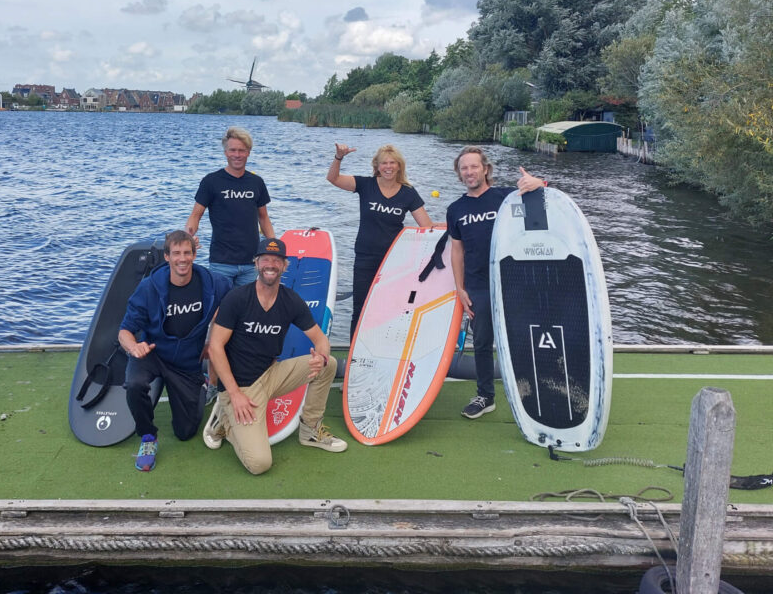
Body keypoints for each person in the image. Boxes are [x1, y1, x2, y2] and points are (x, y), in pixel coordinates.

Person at [202, 237, 347, 474]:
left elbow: (320, 339)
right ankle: (225, 421)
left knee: (327, 364)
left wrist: (319, 356)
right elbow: (215, 348)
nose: (271, 265)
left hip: (271, 374)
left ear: (284, 266)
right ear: (256, 263)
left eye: (277, 260)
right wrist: (235, 394)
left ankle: (310, 431)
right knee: (259, 464)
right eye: (265, 259)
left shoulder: (290, 300)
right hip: (241, 387)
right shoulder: (237, 298)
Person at [117, 229, 232, 472]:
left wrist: (214, 336)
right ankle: (148, 437)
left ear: (194, 254)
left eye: (187, 253)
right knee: (134, 383)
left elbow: (234, 301)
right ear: (167, 257)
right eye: (176, 253)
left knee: (186, 432)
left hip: (187, 362)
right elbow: (124, 331)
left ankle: (200, 386)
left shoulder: (213, 283)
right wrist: (133, 347)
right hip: (153, 353)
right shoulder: (149, 288)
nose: (183, 259)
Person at [446, 146, 544, 419]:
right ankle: (485, 396)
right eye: (464, 168)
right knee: (482, 343)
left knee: (522, 338)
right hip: (477, 285)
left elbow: (544, 200)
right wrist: (460, 288)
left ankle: (533, 391)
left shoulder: (507, 197)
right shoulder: (456, 209)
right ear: (459, 173)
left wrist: (538, 183)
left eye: (474, 166)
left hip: (513, 282)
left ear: (485, 169)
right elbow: (457, 251)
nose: (469, 172)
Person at [327, 143, 439, 334]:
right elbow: (333, 178)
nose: (388, 166)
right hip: (365, 259)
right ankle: (355, 351)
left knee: (388, 310)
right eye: (384, 163)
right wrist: (339, 158)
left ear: (399, 166)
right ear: (377, 166)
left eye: (392, 163)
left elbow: (426, 226)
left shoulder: (408, 193)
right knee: (360, 310)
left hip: (394, 261)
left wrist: (451, 225)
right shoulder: (365, 185)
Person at [186, 126, 275, 286]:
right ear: (226, 152)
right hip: (221, 262)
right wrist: (188, 238)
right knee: (220, 308)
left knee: (247, 309)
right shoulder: (211, 181)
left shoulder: (257, 182)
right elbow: (195, 216)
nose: (237, 155)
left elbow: (263, 218)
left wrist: (275, 247)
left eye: (242, 150)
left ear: (248, 152)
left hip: (251, 262)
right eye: (233, 150)